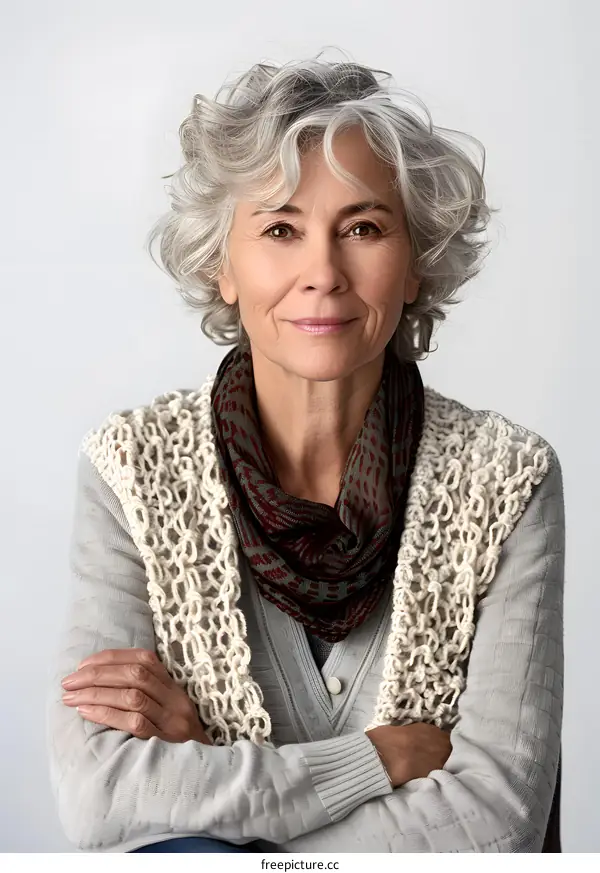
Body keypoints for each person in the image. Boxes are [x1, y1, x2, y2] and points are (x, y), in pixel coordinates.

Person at [46, 51, 565, 854]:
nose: (322, 272)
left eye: (362, 227)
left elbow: (494, 828)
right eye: (281, 229)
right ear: (222, 264)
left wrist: (215, 770)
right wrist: (375, 759)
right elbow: (100, 801)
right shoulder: (133, 469)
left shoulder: (506, 477)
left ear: (416, 262)